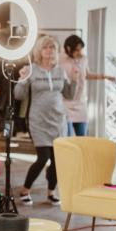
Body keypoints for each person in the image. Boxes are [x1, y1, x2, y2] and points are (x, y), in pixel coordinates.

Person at [15, 35, 77, 206]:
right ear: (39, 51)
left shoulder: (60, 71)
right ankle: (25, 189)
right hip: (38, 121)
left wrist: (74, 80)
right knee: (43, 158)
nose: (49, 51)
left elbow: (69, 95)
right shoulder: (31, 69)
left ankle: (51, 192)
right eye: (45, 47)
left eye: (52, 47)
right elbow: (19, 95)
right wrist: (22, 79)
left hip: (58, 120)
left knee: (57, 159)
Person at [60, 34, 116, 136]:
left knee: (82, 137)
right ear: (68, 48)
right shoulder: (61, 61)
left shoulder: (84, 59)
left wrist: (105, 76)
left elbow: (87, 75)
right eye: (77, 50)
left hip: (80, 103)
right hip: (66, 103)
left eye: (81, 49)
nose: (80, 52)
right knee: (67, 137)